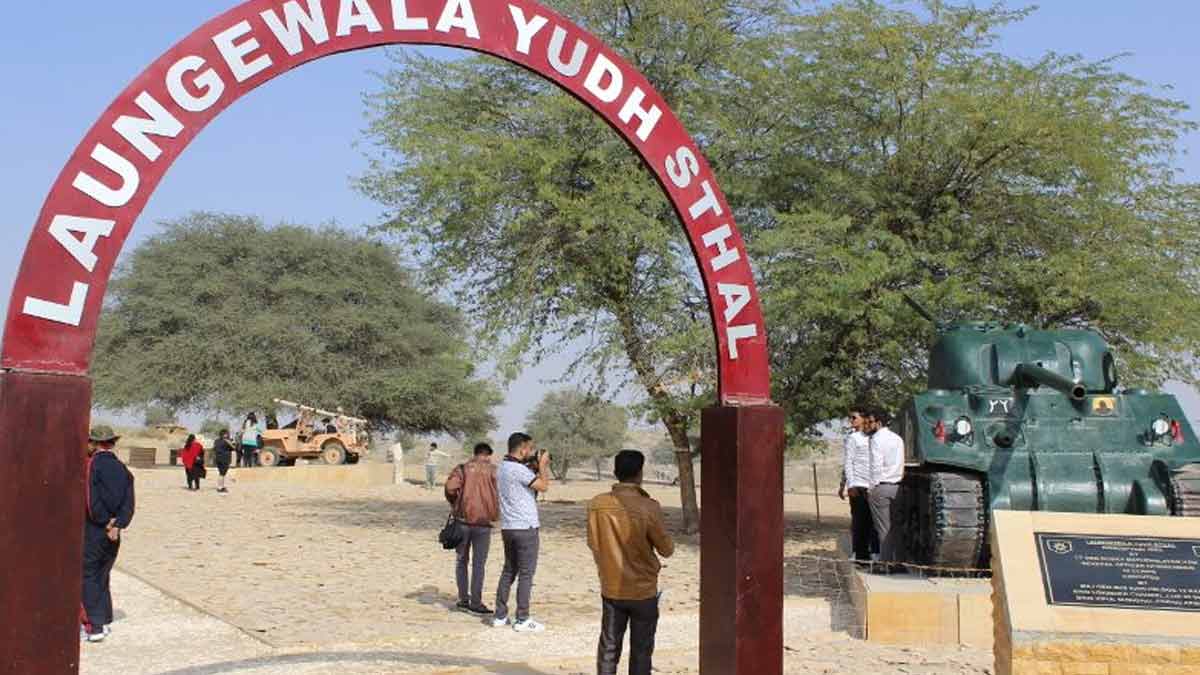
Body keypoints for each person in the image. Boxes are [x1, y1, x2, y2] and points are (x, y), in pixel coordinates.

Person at [587, 450, 674, 675]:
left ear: (616, 472)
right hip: (643, 590)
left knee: (608, 647)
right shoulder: (649, 506)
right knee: (641, 651)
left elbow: (594, 543)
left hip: (611, 587)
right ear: (639, 474)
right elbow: (667, 550)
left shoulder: (597, 504)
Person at [81, 425, 135, 643]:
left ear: (94, 443)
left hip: (96, 529)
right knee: (103, 573)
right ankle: (104, 619)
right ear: (112, 443)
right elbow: (129, 501)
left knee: (89, 575)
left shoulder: (94, 466)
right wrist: (119, 523)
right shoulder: (122, 468)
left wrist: (105, 522)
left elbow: (91, 501)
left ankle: (95, 626)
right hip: (115, 530)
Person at [493, 432, 551, 632]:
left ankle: (500, 615)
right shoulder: (519, 470)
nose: (531, 452)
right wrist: (542, 465)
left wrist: (534, 466)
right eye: (530, 448)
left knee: (509, 570)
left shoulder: (502, 467)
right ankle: (522, 619)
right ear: (522, 448)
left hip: (508, 527)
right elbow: (543, 486)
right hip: (525, 527)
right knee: (526, 573)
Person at [443, 442, 500, 614]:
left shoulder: (462, 469)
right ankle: (476, 602)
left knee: (461, 561)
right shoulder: (494, 471)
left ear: (474, 453)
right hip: (483, 523)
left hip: (462, 521)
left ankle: (463, 599)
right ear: (488, 455)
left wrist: (455, 502)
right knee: (479, 564)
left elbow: (450, 487)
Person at [866, 408, 906, 567]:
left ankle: (886, 564)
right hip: (897, 486)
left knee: (883, 528)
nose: (868, 425)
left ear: (879, 422)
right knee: (896, 528)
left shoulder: (876, 439)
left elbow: (876, 466)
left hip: (881, 486)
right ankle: (899, 562)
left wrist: (871, 487)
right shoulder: (898, 439)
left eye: (871, 422)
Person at [838, 408, 877, 562]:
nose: (851, 421)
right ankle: (859, 554)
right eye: (850, 418)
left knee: (873, 522)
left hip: (873, 485)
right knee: (859, 521)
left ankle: (873, 553)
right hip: (859, 484)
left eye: (854, 417)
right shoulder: (853, 438)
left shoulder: (875, 437)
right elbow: (848, 462)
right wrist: (848, 484)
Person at [212, 429, 234, 493]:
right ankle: (220, 487)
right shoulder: (226, 441)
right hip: (225, 459)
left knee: (221, 473)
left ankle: (221, 486)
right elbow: (233, 448)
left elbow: (214, 449)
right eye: (227, 433)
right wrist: (230, 442)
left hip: (218, 459)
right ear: (225, 434)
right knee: (222, 474)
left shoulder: (216, 441)